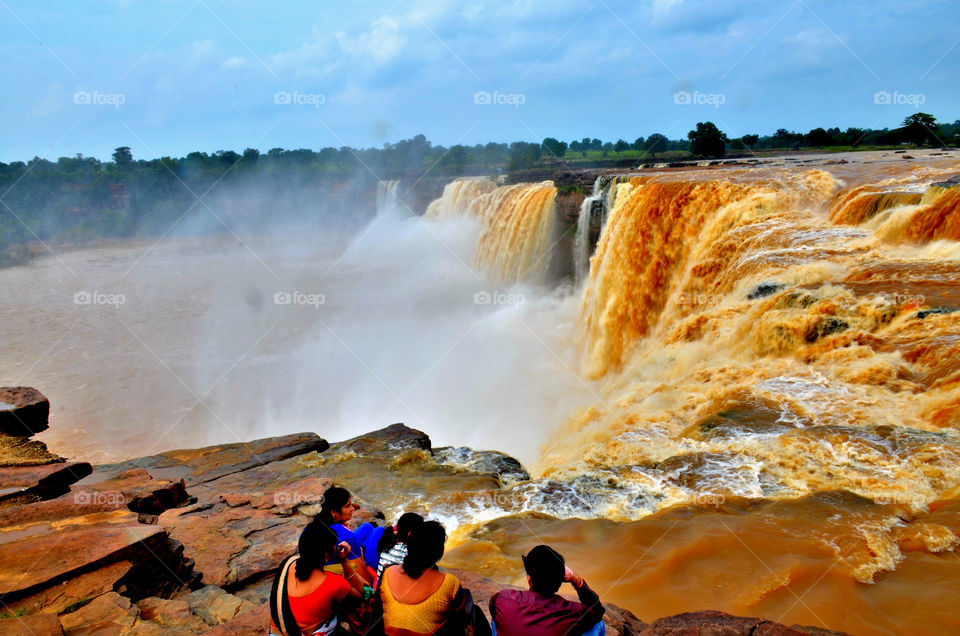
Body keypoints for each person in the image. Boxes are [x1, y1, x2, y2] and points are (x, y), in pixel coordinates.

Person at [378, 520, 487, 635]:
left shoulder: (388, 572)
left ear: (409, 544)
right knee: (474, 611)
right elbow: (460, 620)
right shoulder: (449, 582)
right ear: (440, 552)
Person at [268, 518, 367, 636]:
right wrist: (345, 561)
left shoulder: (288, 562)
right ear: (327, 555)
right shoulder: (333, 583)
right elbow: (362, 595)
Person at [489, 545, 605, 636]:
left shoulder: (502, 598)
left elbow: (493, 608)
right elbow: (597, 611)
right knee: (598, 624)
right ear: (559, 584)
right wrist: (577, 581)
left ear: (529, 579)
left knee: (498, 618)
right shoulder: (572, 612)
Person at [318, 486, 374, 586]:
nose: (352, 508)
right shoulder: (348, 537)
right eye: (348, 506)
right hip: (347, 577)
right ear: (333, 512)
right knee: (379, 530)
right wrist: (359, 551)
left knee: (367, 526)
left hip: (327, 570)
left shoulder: (314, 526)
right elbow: (365, 582)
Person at [376, 512, 424, 580]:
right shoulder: (408, 551)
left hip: (380, 583)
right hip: (391, 587)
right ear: (410, 534)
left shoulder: (389, 542)